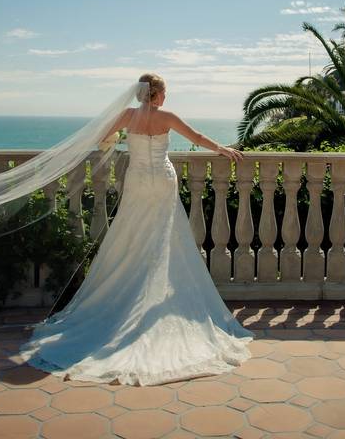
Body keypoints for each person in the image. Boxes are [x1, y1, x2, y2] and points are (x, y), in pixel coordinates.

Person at [18, 73, 254, 386]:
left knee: (131, 238)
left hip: (138, 181)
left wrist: (113, 141)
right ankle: (149, 301)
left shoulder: (127, 116)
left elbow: (102, 137)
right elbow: (196, 137)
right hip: (162, 181)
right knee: (162, 241)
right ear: (158, 95)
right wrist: (222, 149)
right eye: (165, 92)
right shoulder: (167, 117)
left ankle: (126, 297)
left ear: (141, 93)